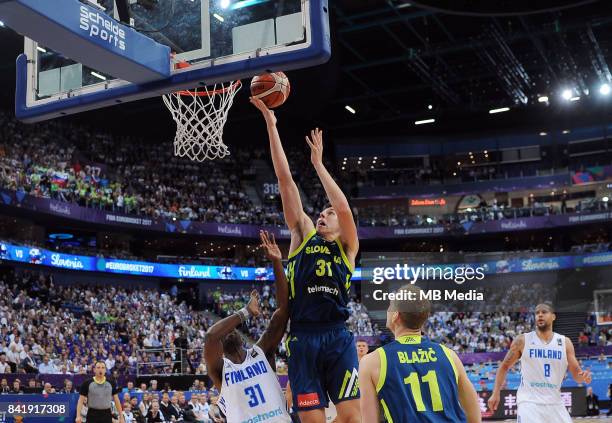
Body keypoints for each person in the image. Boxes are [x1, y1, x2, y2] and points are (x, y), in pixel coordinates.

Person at [252, 99, 360, 423]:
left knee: (353, 418)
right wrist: (272, 126)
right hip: (302, 337)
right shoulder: (302, 235)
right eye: (321, 212)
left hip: (338, 336)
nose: (323, 214)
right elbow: (286, 181)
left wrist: (318, 164)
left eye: (328, 213)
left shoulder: (347, 247)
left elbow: (343, 209)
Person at [359, 285, 481, 422]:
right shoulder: (449, 355)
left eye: (389, 307)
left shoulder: (372, 362)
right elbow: (473, 409)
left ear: (396, 315)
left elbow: (369, 420)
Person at [204, 231, 291, 422]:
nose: (229, 332)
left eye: (231, 329)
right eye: (225, 331)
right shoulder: (220, 369)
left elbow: (283, 310)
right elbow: (210, 337)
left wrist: (277, 262)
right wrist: (245, 312)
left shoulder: (262, 352)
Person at [488, 303, 592, 423]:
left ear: (553, 316)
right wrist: (495, 392)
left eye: (544, 312)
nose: (540, 315)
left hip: (555, 403)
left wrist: (583, 377)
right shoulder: (522, 340)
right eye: (537, 313)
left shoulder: (565, 342)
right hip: (529, 403)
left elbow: (577, 375)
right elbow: (504, 366)